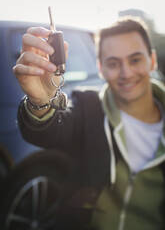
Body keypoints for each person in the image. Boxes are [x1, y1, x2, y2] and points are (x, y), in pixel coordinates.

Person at [14, 17, 165, 229]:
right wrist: (40, 101)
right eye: (113, 63)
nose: (126, 73)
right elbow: (47, 131)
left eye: (135, 60)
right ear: (100, 68)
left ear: (152, 60)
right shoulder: (87, 107)